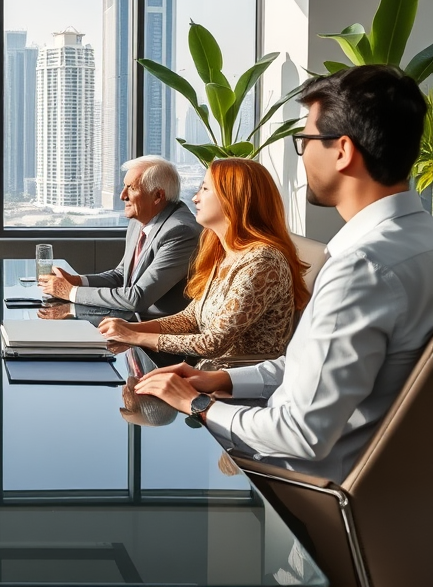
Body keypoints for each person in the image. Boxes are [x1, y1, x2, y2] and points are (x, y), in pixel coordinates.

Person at [135, 64, 433, 483]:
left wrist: (198, 405)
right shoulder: (417, 241)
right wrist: (220, 378)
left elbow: (303, 433)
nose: (303, 152)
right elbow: (308, 367)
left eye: (305, 140)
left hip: (307, 494)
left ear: (343, 151)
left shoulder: (361, 269)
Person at [98, 158, 310, 366]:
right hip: (208, 374)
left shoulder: (262, 263)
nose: (195, 199)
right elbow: (191, 318)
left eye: (205, 189)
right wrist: (132, 329)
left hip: (237, 383)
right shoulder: (224, 252)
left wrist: (135, 337)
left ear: (232, 199)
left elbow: (213, 343)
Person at [39, 156, 201, 318]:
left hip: (157, 330)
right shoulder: (140, 220)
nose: (122, 196)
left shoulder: (180, 231)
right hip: (129, 320)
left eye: (131, 188)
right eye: (124, 186)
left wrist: (71, 292)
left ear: (158, 196)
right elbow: (123, 276)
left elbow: (137, 298)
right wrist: (77, 281)